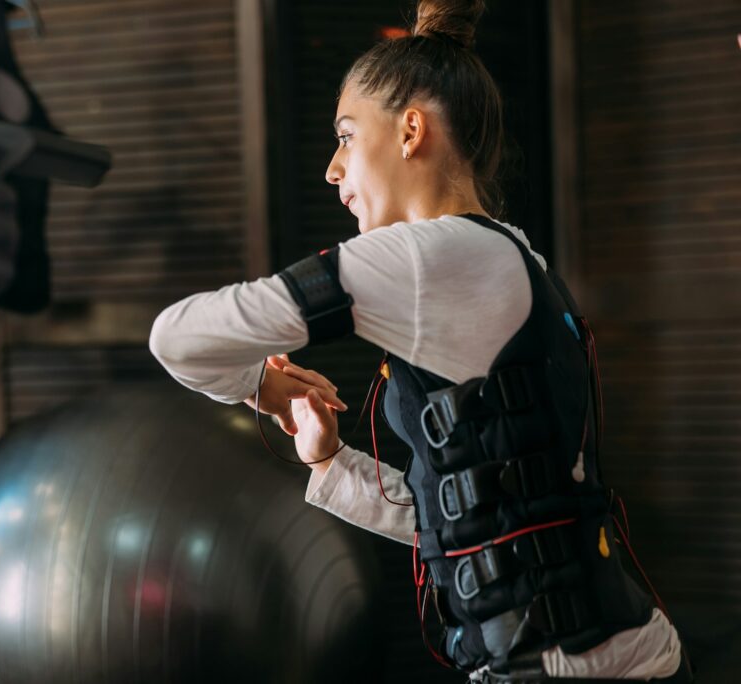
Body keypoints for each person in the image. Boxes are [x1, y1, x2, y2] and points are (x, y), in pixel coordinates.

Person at [149, 0, 690, 681]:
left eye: (346, 136)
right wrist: (329, 462)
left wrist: (263, 385)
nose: (331, 170)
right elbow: (474, 514)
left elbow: (177, 337)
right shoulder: (509, 254)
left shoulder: (423, 258)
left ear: (410, 131)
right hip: (607, 657)